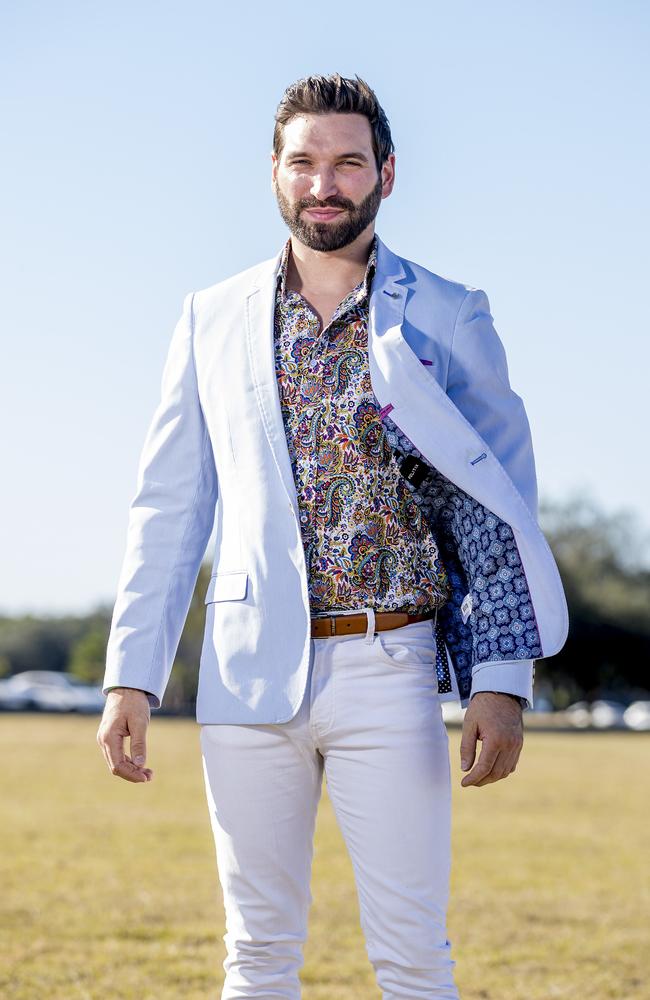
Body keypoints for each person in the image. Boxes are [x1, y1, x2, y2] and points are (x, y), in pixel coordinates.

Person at [97, 73, 568, 999]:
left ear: (386, 174)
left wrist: (502, 680)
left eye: (348, 162)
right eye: (304, 162)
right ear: (275, 173)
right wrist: (130, 674)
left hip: (389, 665)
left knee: (413, 959)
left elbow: (503, 500)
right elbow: (168, 507)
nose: (325, 182)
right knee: (257, 955)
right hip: (244, 675)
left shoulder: (449, 311)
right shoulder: (209, 318)